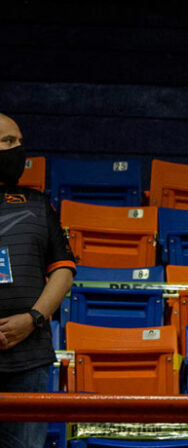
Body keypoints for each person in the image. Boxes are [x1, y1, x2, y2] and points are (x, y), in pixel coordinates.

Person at [0, 113, 76, 448]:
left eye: (19, 142)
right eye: (8, 141)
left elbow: (63, 270)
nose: (18, 150)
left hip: (28, 359)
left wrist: (32, 319)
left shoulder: (38, 204)